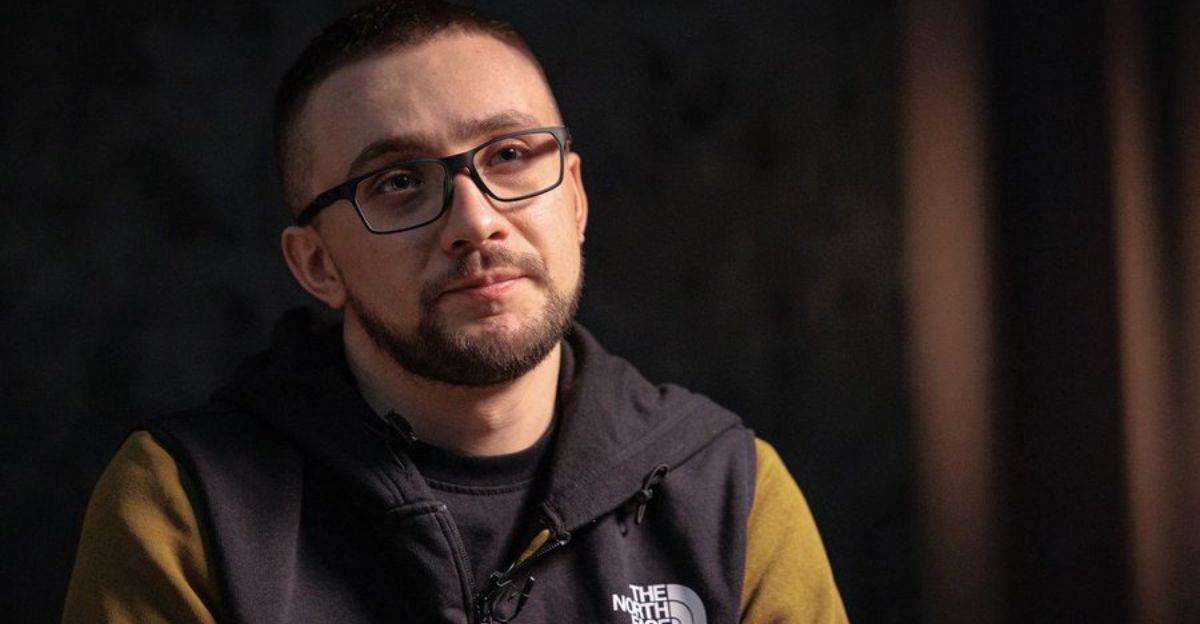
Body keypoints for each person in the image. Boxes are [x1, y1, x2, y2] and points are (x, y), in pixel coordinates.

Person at [63, 1, 847, 622]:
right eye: (398, 182)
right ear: (317, 264)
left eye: (509, 155)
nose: (475, 221)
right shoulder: (183, 505)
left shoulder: (729, 492)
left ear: (575, 199)